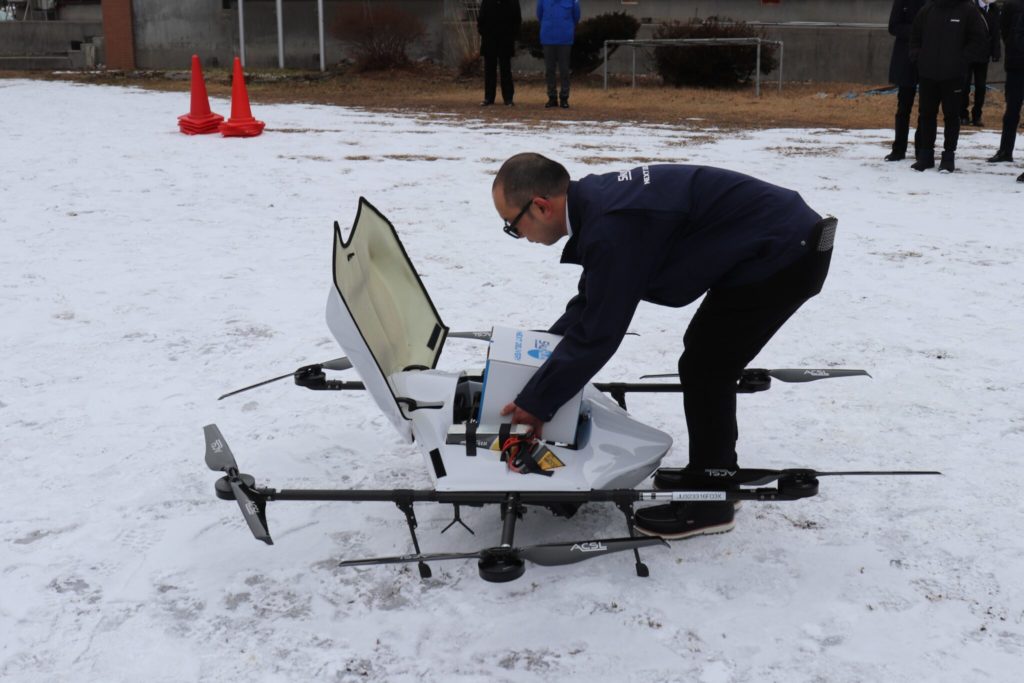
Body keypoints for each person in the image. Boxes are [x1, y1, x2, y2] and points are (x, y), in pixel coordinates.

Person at [491, 153, 835, 539]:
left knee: (708, 363)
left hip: (788, 251)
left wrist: (537, 402)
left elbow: (600, 332)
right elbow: (592, 303)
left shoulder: (613, 225)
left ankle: (711, 495)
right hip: (774, 237)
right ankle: (712, 470)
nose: (517, 235)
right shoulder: (600, 207)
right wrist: (540, 359)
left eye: (512, 225)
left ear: (540, 206)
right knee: (705, 356)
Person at [910, 0, 990, 173]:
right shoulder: (928, 9)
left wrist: (961, 61)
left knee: (952, 116)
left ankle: (948, 157)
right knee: (926, 114)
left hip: (954, 76)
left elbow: (978, 39)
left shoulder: (968, 10)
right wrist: (918, 57)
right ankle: (925, 156)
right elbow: (915, 36)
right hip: (927, 74)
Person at [886, 0, 927, 162]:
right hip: (906, 58)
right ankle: (899, 148)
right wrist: (917, 32)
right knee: (903, 107)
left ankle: (922, 148)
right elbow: (893, 26)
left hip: (928, 58)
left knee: (926, 109)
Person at [987, 0, 1024, 183]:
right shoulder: (1012, 5)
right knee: (1011, 111)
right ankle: (1005, 150)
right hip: (1016, 65)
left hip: (1016, 62)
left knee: (1012, 111)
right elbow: (1005, 31)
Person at [960, 0, 1002, 126]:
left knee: (981, 87)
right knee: (964, 85)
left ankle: (977, 115)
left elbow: (996, 32)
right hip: (968, 53)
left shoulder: (994, 9)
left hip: (984, 54)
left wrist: (996, 51)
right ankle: (962, 114)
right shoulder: (969, 6)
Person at [478, 0, 522, 107]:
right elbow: (481, 19)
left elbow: (517, 20)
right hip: (489, 40)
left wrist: (512, 36)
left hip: (505, 41)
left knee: (506, 70)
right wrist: (484, 33)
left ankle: (508, 98)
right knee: (489, 70)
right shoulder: (487, 2)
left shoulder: (512, 2)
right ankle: (489, 97)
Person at [537, 0, 580, 108]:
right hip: (548, 38)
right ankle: (552, 97)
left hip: (564, 39)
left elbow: (576, 17)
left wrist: (567, 28)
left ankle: (564, 98)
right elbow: (540, 15)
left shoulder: (573, 1)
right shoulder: (542, 1)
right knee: (549, 70)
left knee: (564, 70)